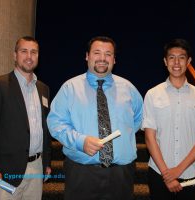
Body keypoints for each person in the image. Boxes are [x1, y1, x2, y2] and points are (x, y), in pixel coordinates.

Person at [47, 36, 143, 200]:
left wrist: (121, 142)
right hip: (81, 172)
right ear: (87, 56)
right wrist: (80, 141)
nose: (102, 58)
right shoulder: (69, 88)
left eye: (108, 54)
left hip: (121, 173)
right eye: (97, 53)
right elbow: (56, 123)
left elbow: (138, 120)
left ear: (114, 59)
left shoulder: (129, 88)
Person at [0, 36, 52, 200]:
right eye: (23, 51)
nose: (29, 56)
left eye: (34, 52)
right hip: (4, 171)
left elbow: (44, 129)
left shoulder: (43, 89)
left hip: (36, 168)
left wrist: (46, 162)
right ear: (15, 55)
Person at [142, 38, 195, 200]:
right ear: (165, 61)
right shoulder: (152, 94)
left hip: (190, 173)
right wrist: (167, 174)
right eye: (171, 57)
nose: (176, 62)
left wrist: (178, 170)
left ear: (188, 61)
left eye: (181, 57)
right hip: (158, 173)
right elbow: (149, 137)